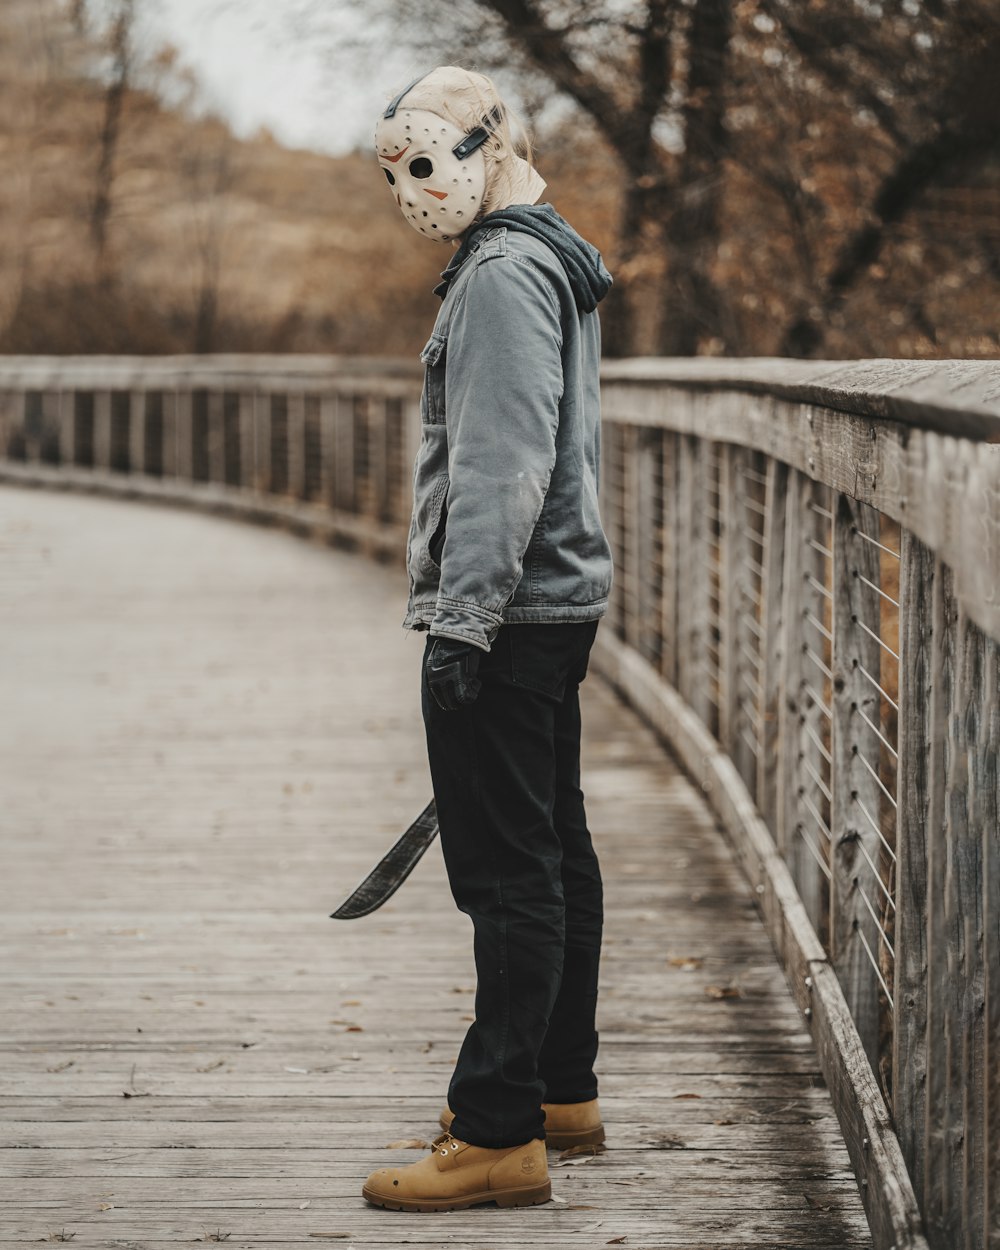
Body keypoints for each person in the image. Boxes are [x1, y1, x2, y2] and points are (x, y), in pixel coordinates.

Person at [362, 65, 614, 1214]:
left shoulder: (505, 274)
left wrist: (461, 625)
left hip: (508, 607)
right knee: (552, 843)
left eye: (423, 159)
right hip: (546, 600)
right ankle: (561, 1087)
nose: (411, 190)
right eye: (392, 171)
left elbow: (502, 467)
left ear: (486, 143)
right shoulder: (534, 256)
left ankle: (498, 1126)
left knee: (507, 869)